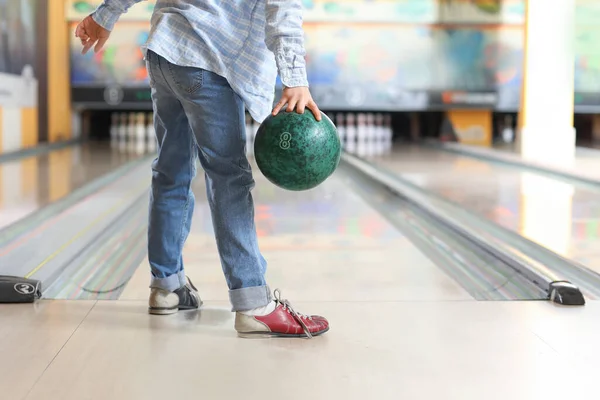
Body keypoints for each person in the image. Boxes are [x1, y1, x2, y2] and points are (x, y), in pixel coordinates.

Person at [75, 0, 329, 339]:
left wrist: (105, 15)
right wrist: (295, 78)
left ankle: (166, 286)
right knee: (229, 180)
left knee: (170, 171)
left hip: (166, 50)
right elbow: (282, 9)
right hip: (212, 59)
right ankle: (253, 304)